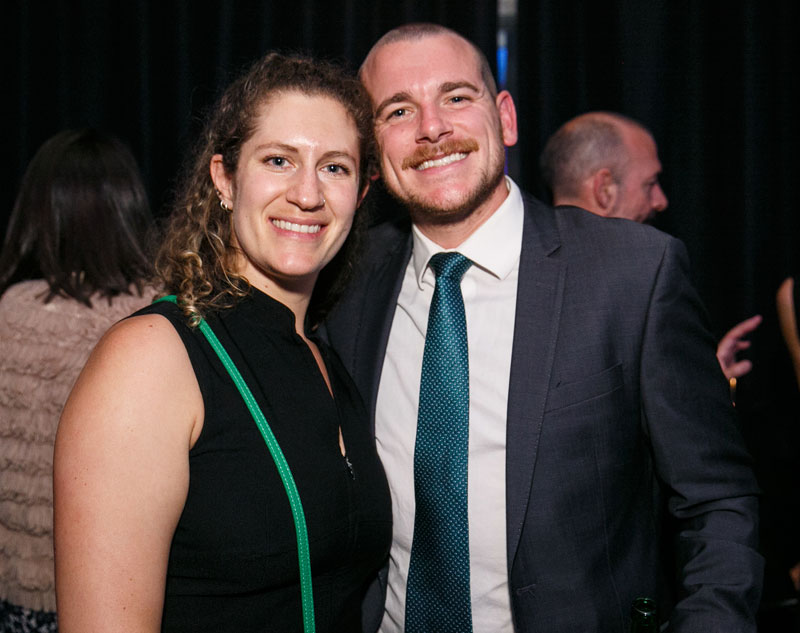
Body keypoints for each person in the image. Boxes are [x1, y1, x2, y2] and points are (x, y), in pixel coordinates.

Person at [323, 23, 763, 632]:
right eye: (398, 110)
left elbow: (718, 502)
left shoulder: (634, 275)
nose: (432, 128)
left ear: (505, 118)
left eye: (456, 96)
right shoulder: (345, 285)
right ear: (372, 150)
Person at [53, 53, 392, 632]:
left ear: (359, 196)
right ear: (225, 180)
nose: (307, 194)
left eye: (335, 168)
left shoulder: (327, 358)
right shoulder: (151, 359)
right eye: (279, 160)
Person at [0, 129, 155, 632]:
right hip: (120, 599)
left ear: (39, 212)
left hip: (16, 596)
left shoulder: (9, 310)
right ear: (129, 208)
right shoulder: (159, 317)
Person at [539, 110, 762, 383]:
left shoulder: (529, 282)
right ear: (604, 189)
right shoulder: (645, 278)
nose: (660, 201)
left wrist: (701, 373)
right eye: (650, 184)